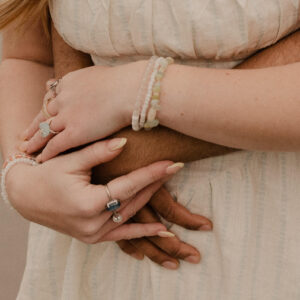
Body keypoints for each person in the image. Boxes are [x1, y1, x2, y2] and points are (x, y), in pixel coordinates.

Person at [1, 0, 300, 299]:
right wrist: (22, 177)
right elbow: (28, 56)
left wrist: (138, 94)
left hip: (268, 235)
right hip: (92, 254)